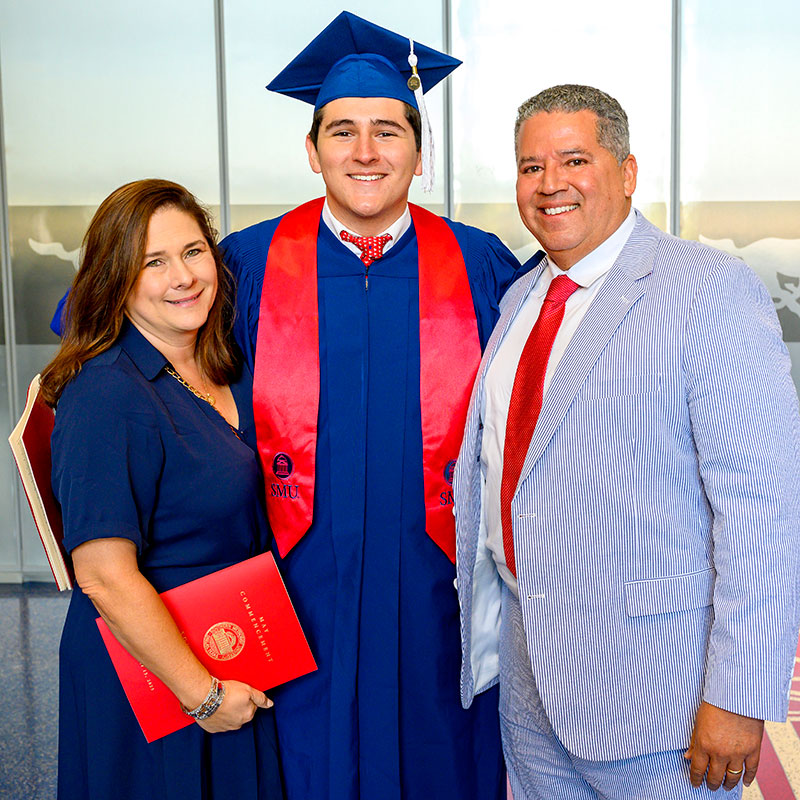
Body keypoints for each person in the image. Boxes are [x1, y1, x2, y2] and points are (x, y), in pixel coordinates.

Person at [453, 83, 800, 800]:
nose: (550, 184)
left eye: (574, 159)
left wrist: (739, 694)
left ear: (628, 171)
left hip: (659, 692)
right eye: (530, 167)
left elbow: (764, 507)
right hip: (531, 679)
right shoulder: (520, 300)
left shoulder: (708, 289)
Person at [219, 11, 531, 800]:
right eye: (343, 131)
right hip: (294, 583)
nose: (366, 152)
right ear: (312, 149)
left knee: (441, 752)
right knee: (301, 753)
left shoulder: (478, 262)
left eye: (389, 131)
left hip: (439, 584)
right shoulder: (247, 263)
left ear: (419, 153)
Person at [40, 179, 283, 800]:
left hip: (230, 645)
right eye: (154, 262)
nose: (183, 276)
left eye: (193, 251)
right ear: (116, 280)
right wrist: (200, 696)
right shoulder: (107, 394)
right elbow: (103, 575)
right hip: (154, 676)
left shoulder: (224, 362)